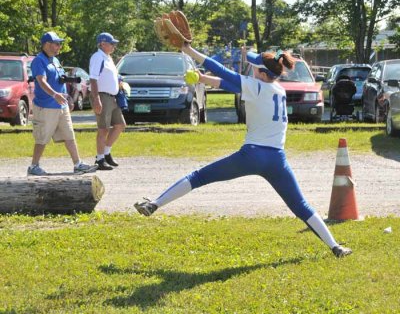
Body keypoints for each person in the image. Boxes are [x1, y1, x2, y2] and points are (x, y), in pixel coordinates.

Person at [135, 42, 352, 258]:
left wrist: (188, 50)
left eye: (255, 67)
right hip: (277, 160)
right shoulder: (278, 89)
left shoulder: (256, 86)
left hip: (252, 155)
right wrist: (202, 78)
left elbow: (222, 71)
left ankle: (155, 204)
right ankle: (335, 247)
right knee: (300, 205)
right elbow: (227, 83)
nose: (252, 69)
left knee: (198, 177)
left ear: (263, 73)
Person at [27, 31, 98, 176]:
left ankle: (78, 164)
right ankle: (34, 166)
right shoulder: (38, 61)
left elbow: (61, 81)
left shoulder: (56, 61)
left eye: (60, 44)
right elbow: (41, 81)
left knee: (69, 135)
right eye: (57, 44)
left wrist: (68, 98)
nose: (59, 47)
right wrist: (54, 95)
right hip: (45, 106)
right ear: (47, 44)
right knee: (42, 138)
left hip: (61, 105)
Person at [89, 32, 126, 170]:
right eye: (111, 44)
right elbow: (93, 78)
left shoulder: (108, 58)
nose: (114, 46)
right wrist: (96, 98)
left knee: (120, 125)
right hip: (102, 96)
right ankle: (99, 159)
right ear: (102, 44)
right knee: (103, 129)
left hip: (112, 97)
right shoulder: (98, 57)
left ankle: (106, 153)